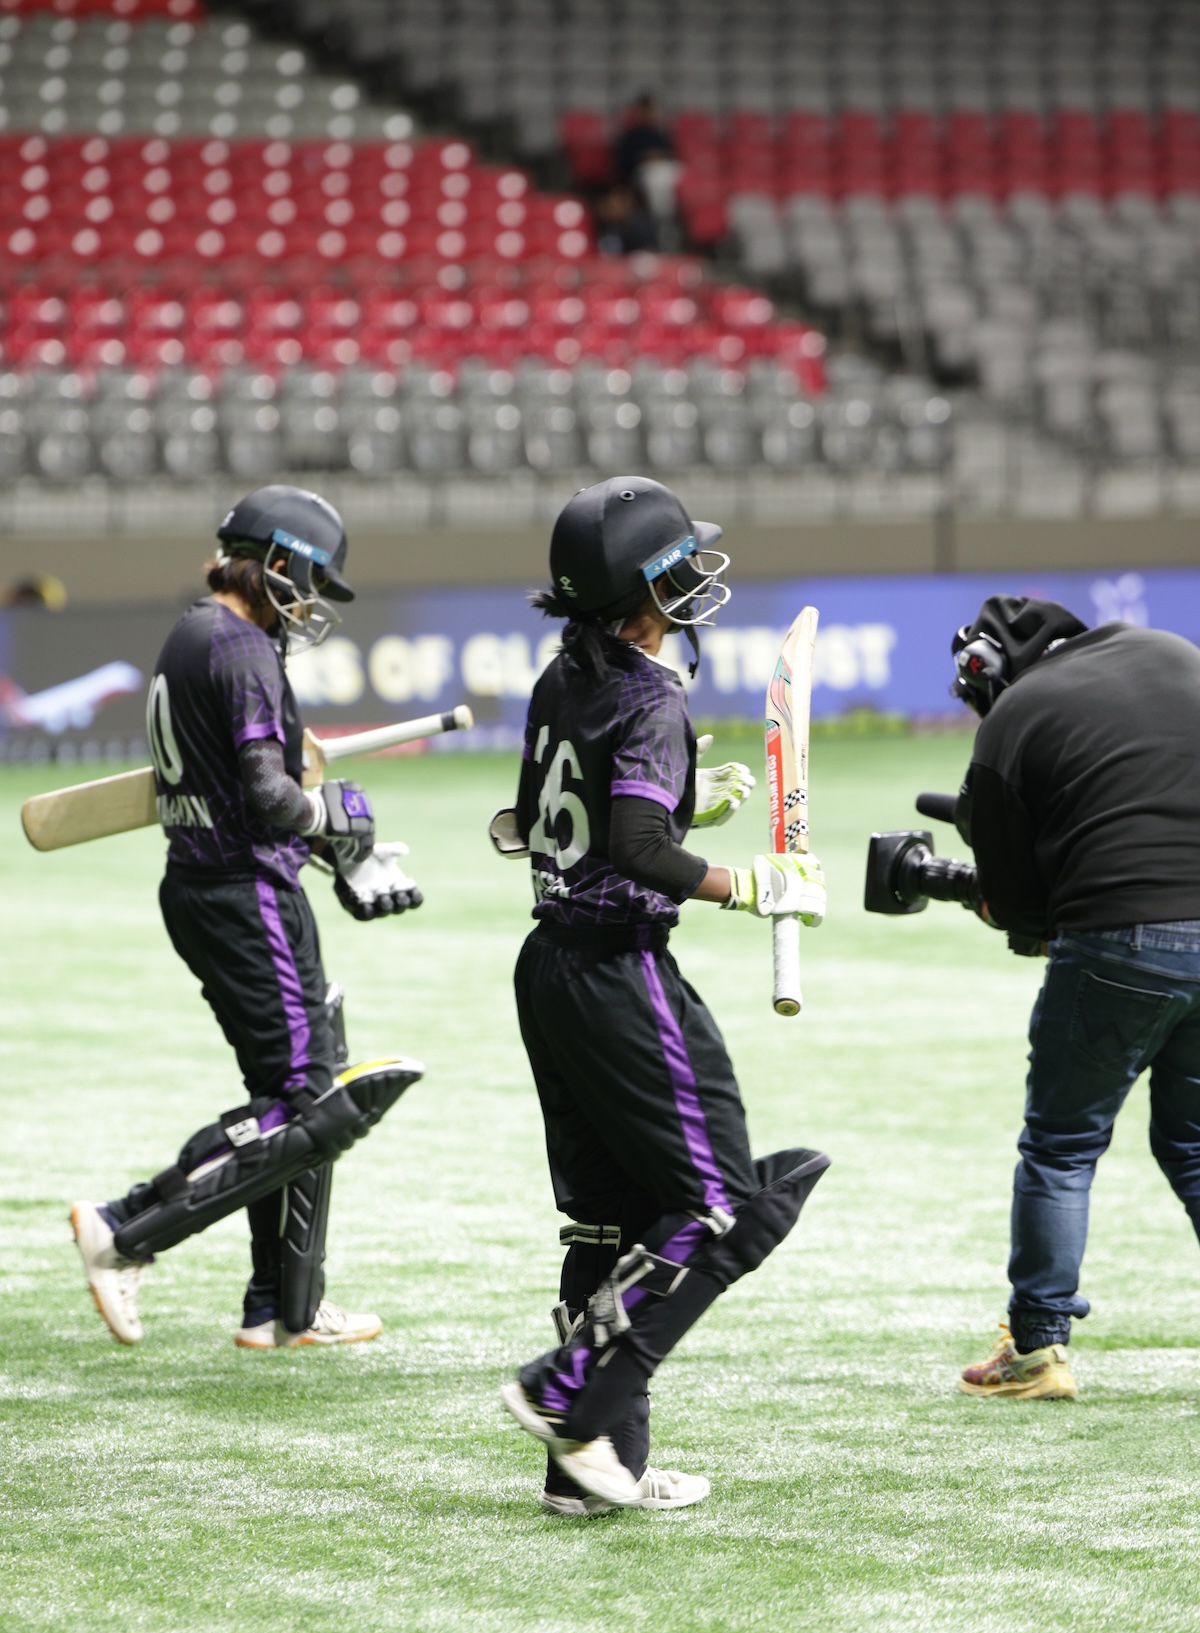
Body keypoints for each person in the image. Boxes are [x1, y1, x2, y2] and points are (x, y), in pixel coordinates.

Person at [490, 476, 830, 1513]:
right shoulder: (651, 695)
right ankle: (567, 1393)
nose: (695, 578)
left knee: (609, 1224)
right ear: (644, 592)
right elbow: (636, 848)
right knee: (718, 1202)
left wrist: (681, 805)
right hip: (618, 971)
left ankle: (592, 1472)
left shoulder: (562, 675)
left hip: (549, 964)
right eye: (679, 565)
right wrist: (749, 882)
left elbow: (527, 823)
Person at [70, 485, 424, 1350]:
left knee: (290, 1093)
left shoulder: (194, 634)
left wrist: (332, 849)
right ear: (277, 564)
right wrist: (332, 820)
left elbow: (232, 786)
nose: (311, 603)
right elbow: (270, 795)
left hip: (204, 885)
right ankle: (124, 1229)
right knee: (311, 1105)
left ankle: (282, 1308)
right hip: (246, 895)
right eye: (311, 581)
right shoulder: (242, 647)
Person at [948, 597, 1200, 1400]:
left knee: (1062, 1146)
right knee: (1196, 1147)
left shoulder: (1014, 713)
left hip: (1119, 937)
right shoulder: (1174, 651)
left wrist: (1014, 914)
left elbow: (1020, 907)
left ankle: (1036, 1349)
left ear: (987, 668)